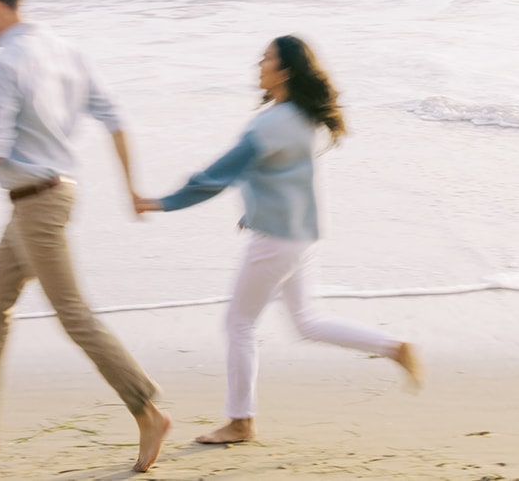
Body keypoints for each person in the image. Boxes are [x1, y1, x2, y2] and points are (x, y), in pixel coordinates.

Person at [0, 0, 171, 473]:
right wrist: (131, 188)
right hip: (51, 196)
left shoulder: (5, 62)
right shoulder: (64, 48)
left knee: (73, 314)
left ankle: (147, 409)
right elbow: (116, 119)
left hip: (37, 204)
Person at [135, 34, 420, 446]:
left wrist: (161, 202)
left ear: (283, 71)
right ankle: (394, 348)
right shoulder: (301, 119)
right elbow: (284, 179)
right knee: (307, 322)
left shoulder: (270, 125)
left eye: (266, 59)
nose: (258, 65)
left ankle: (240, 422)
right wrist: (253, 213)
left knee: (238, 324)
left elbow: (214, 177)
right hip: (300, 237)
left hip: (276, 242)